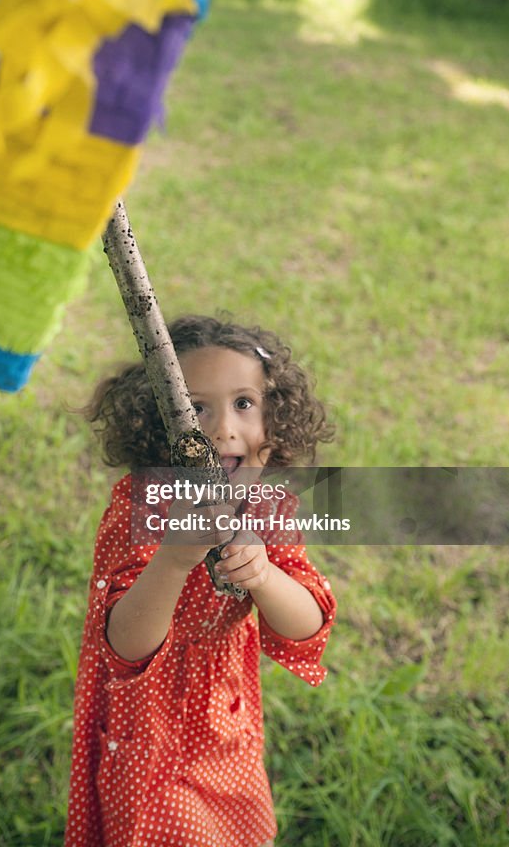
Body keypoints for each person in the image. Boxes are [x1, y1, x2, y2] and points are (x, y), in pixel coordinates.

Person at [64, 316, 337, 847]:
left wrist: (264, 575)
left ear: (274, 422)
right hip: (144, 724)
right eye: (195, 409)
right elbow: (124, 646)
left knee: (238, 831)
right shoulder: (140, 508)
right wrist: (172, 561)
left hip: (224, 720)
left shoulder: (268, 510)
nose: (219, 429)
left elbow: (308, 627)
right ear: (156, 426)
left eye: (243, 404)